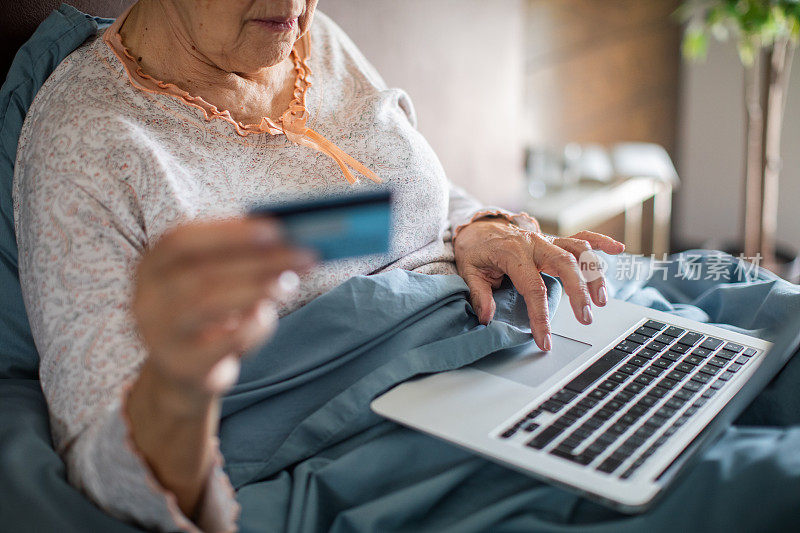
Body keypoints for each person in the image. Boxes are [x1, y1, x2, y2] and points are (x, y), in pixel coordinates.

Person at [13, 1, 624, 530]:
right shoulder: (89, 142)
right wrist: (180, 383)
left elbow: (407, 192)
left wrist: (482, 225)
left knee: (696, 368)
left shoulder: (307, 36)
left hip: (504, 346)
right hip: (365, 440)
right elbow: (103, 459)